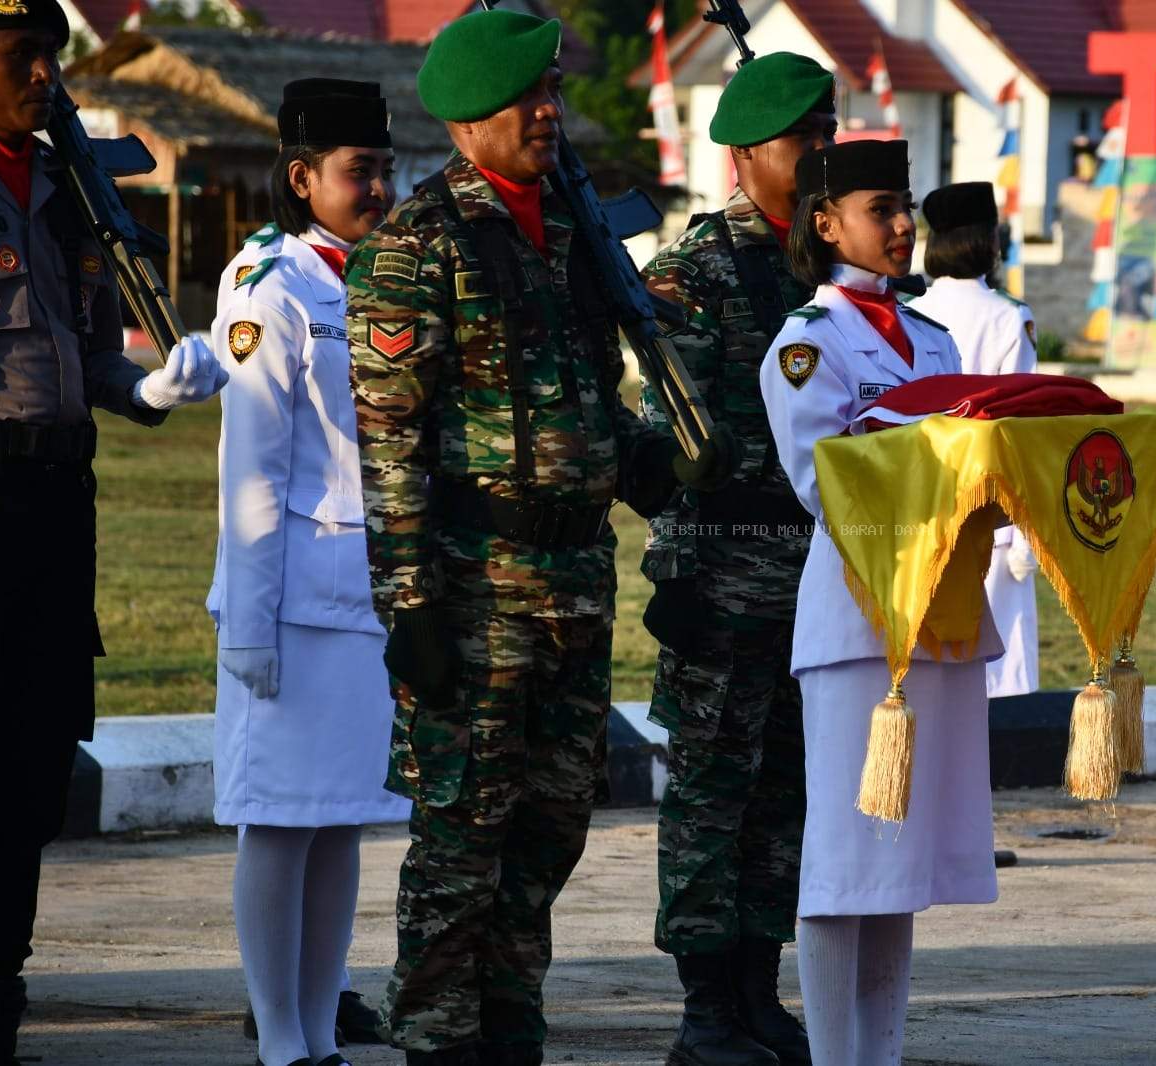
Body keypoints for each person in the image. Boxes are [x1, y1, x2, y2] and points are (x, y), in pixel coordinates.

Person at [345, 11, 731, 1065]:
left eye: (553, 94)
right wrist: (411, 608)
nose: (549, 114)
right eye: (529, 100)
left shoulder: (573, 238)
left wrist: (654, 461)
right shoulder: (413, 247)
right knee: (461, 835)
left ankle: (509, 1023)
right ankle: (436, 1032)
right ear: (470, 119)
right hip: (472, 586)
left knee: (551, 828)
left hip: (573, 574)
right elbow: (389, 446)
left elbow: (591, 399)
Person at [0, 3, 227, 1061]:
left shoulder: (65, 188)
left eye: (50, 54)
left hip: (56, 504)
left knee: (37, 758)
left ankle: (4, 980)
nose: (41, 73)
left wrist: (150, 390)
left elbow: (89, 356)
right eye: (16, 57)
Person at [760, 140, 1004, 1066]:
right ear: (825, 224)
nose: (904, 225)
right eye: (881, 207)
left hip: (938, 613)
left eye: (906, 207)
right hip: (861, 622)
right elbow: (826, 482)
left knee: (897, 873)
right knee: (844, 866)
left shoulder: (936, 339)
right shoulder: (806, 345)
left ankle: (882, 1055)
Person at [208, 79, 412, 1066]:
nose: (376, 187)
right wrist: (245, 622)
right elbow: (251, 458)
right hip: (286, 600)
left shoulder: (379, 277)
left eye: (383, 168)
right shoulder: (268, 283)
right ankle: (281, 1041)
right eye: (355, 170)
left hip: (365, 597)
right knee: (279, 826)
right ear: (301, 178)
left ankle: (322, 1027)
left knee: (343, 824)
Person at [639, 51, 837, 1066]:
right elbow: (664, 433)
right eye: (804, 139)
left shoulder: (829, 269)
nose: (821, 155)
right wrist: (679, 571)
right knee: (712, 791)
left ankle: (759, 987)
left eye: (827, 134)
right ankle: (704, 1006)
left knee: (786, 794)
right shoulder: (693, 270)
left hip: (813, 576)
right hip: (720, 566)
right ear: (747, 151)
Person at [910, 181, 1040, 698]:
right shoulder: (1010, 315)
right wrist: (1024, 533)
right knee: (1000, 669)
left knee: (934, 661)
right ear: (987, 240)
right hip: (993, 507)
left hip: (926, 500)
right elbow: (1018, 428)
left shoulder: (913, 312)